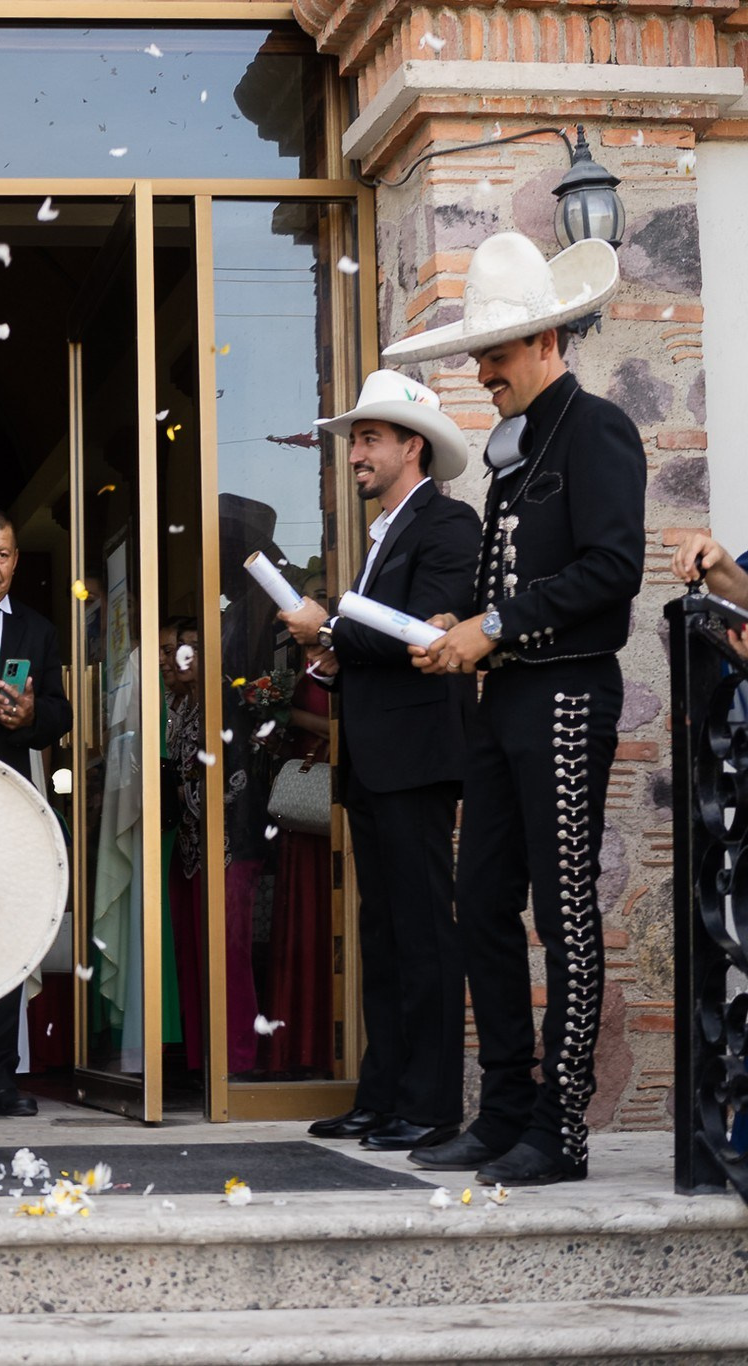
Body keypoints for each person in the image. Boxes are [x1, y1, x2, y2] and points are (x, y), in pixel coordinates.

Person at [395, 232, 644, 1187]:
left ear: (546, 342)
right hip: (505, 702)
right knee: (484, 904)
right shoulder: (517, 450)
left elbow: (612, 571)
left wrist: (491, 625)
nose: (482, 372)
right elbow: (516, 576)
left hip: (570, 693)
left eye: (495, 355)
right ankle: (503, 1112)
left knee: (563, 910)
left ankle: (559, 1126)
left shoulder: (599, 429)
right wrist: (461, 623)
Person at [280, 370, 480, 1151]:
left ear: (412, 446)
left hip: (417, 759)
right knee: (384, 934)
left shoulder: (448, 523)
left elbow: (423, 631)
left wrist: (329, 628)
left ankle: (429, 1107)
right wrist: (336, 657)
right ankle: (382, 1097)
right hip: (372, 760)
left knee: (422, 931)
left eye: (369, 438)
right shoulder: (384, 533)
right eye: (355, 440)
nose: (356, 453)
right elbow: (379, 646)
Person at [0, 506, 70, 1119]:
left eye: (2, 555)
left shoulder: (37, 629)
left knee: (1, 932)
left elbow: (60, 711)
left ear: (16, 561)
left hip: (10, 798)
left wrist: (30, 717)